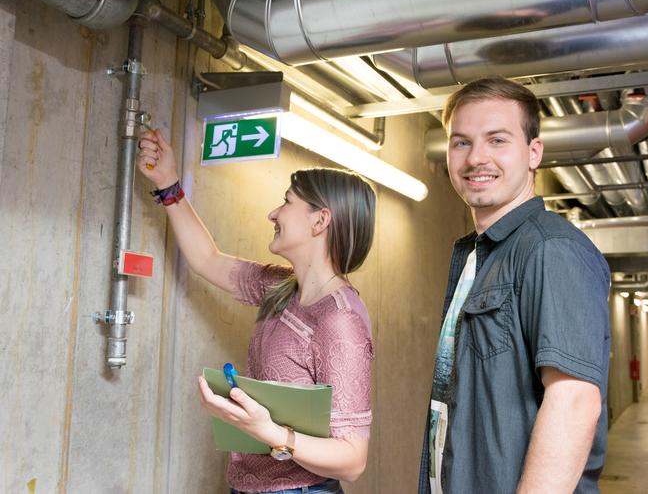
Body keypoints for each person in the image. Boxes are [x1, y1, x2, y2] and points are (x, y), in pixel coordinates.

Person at [137, 129, 376, 494]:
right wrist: (168, 185)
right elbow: (206, 259)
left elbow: (353, 460)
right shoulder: (280, 288)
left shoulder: (341, 322)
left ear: (320, 221)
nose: (273, 213)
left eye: (287, 202)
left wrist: (272, 433)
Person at [419, 77, 611, 494]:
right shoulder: (479, 254)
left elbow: (574, 402)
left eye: (497, 140)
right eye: (461, 142)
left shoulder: (550, 250)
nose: (476, 158)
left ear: (533, 153)